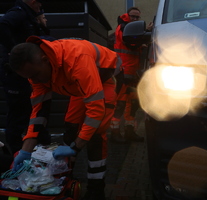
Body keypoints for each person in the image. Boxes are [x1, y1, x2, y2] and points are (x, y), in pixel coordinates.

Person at [9, 35, 122, 200]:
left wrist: (76, 147)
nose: (34, 81)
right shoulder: (37, 71)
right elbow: (39, 114)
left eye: (35, 75)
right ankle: (66, 179)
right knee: (71, 127)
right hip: (79, 83)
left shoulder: (77, 61)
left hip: (107, 78)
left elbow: (95, 110)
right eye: (29, 78)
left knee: (95, 135)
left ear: (45, 59)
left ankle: (96, 189)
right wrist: (25, 150)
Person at [0, 0, 44, 155]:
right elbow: (3, 24)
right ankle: (15, 153)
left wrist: (42, 24)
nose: (40, 8)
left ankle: (35, 146)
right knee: (18, 112)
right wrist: (14, 51)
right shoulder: (19, 13)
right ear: (33, 2)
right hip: (15, 75)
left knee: (31, 108)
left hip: (27, 73)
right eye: (39, 5)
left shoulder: (31, 16)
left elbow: (42, 40)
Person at [110, 7, 153, 143]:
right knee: (120, 104)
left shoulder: (131, 29)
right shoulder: (123, 27)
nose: (134, 19)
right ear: (127, 16)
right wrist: (146, 34)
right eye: (132, 16)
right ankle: (115, 133)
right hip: (123, 73)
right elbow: (132, 43)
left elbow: (134, 45)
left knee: (133, 104)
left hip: (133, 73)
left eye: (137, 17)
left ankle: (129, 131)